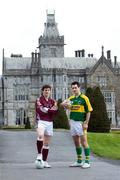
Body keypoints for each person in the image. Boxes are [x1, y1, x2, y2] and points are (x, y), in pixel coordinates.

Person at [61, 81, 93, 168]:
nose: (74, 89)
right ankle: (79, 161)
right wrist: (66, 105)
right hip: (73, 122)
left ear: (79, 88)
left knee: (84, 142)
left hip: (81, 122)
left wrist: (86, 123)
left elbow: (89, 111)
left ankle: (87, 161)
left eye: (75, 87)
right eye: (73, 88)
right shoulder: (71, 98)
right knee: (76, 142)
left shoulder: (84, 98)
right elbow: (62, 104)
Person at [35, 85, 58, 168]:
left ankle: (44, 161)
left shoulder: (53, 101)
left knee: (47, 143)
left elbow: (55, 110)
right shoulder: (39, 100)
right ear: (42, 91)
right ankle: (39, 155)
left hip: (49, 122)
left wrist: (47, 109)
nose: (47, 91)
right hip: (41, 121)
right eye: (45, 90)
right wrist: (49, 110)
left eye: (48, 90)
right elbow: (40, 110)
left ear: (50, 91)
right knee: (40, 135)